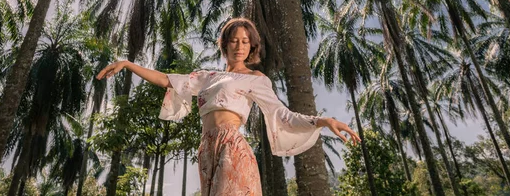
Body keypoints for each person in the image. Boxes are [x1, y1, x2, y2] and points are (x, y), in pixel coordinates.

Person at [97, 17, 361, 196]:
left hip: (232, 146)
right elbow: (168, 80)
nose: (240, 46)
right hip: (207, 148)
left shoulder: (256, 79)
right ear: (224, 43)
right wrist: (128, 64)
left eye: (246, 41)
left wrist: (323, 121)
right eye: (234, 40)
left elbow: (283, 115)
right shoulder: (206, 77)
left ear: (252, 46)